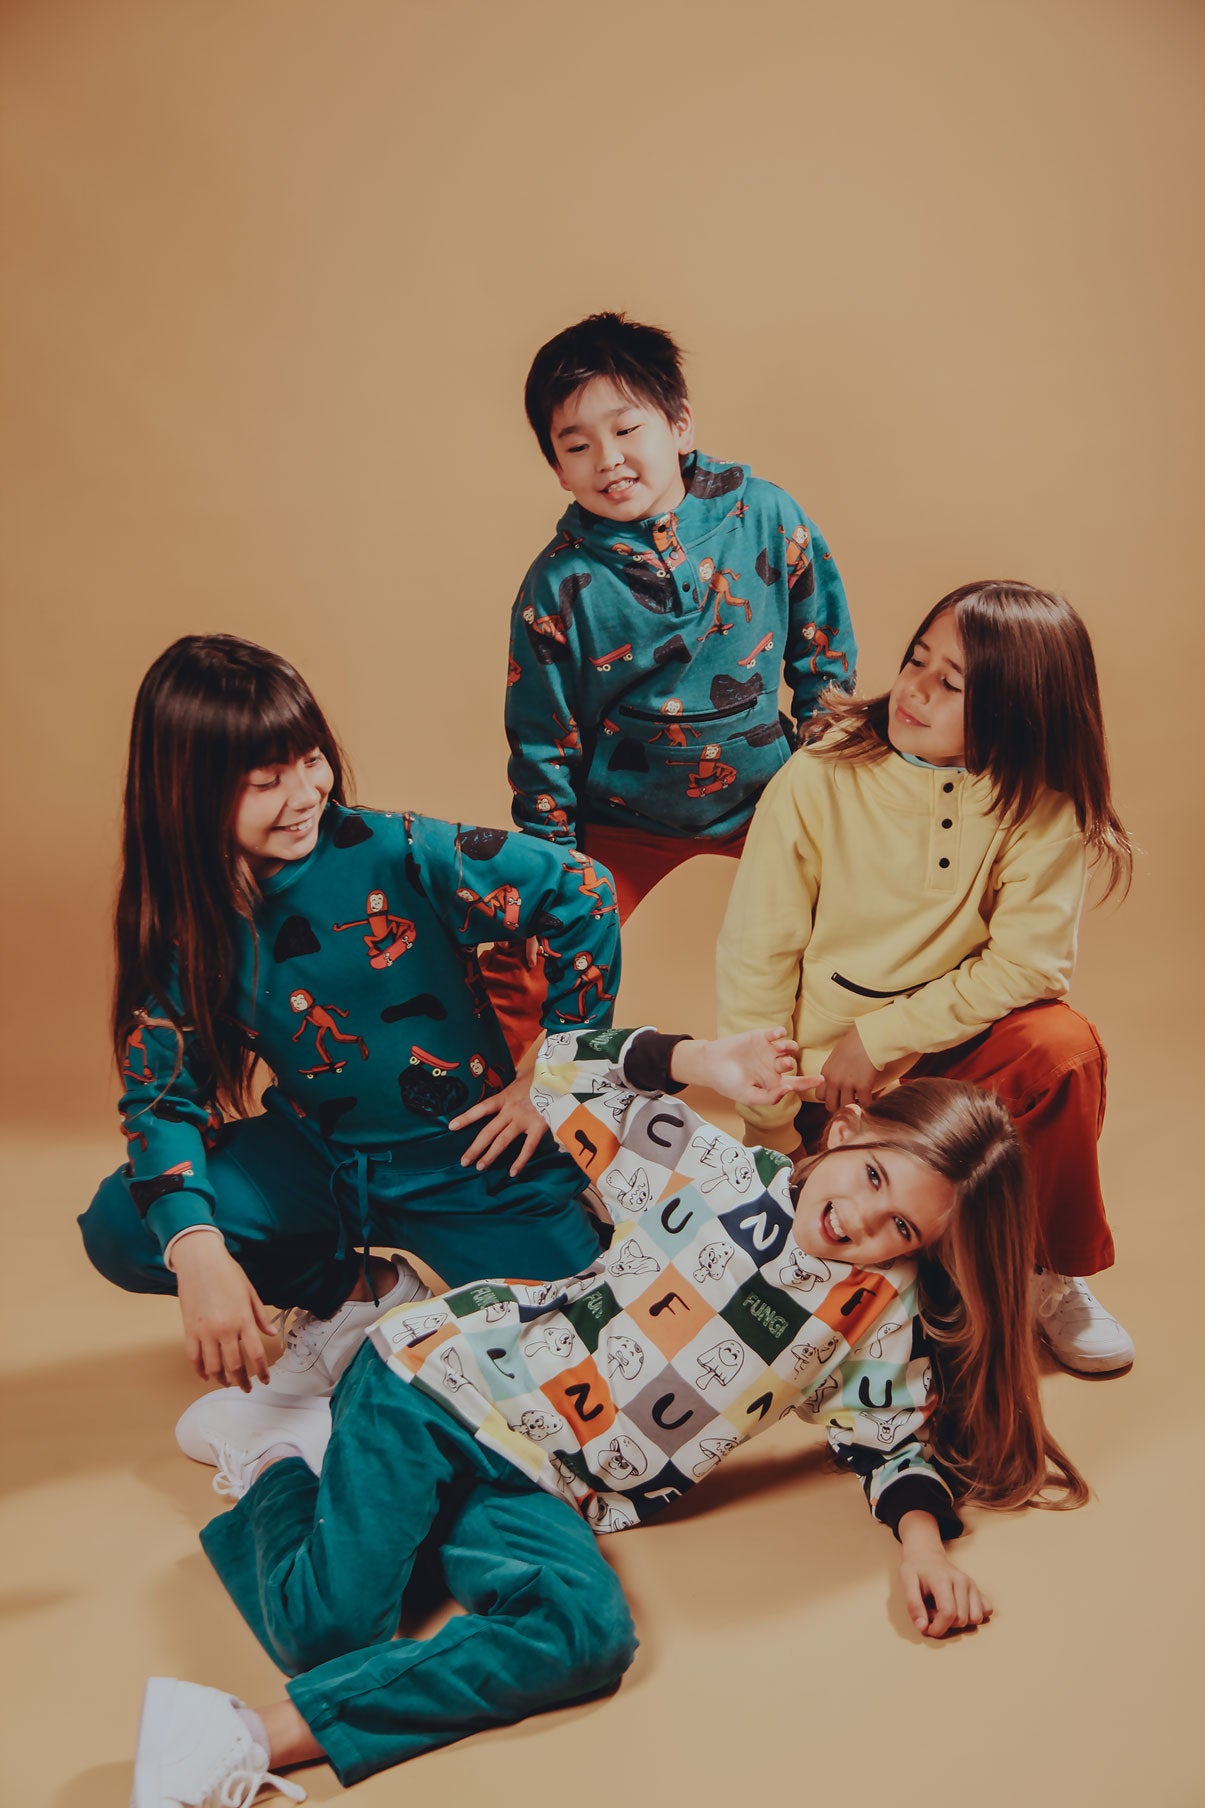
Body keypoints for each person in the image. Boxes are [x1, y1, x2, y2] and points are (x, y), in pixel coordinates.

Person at [130, 1023, 1085, 1804]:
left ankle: (240, 1731)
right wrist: (700, 1062)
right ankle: (274, 1466)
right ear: (847, 1132)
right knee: (329, 1630)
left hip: (549, 1479)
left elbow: (883, 1436)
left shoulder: (874, 1309)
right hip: (441, 1382)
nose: (862, 1225)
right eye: (873, 1180)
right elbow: (563, 1072)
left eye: (902, 1228)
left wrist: (922, 1546)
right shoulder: (715, 1173)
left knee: (588, 1637)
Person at [78, 634, 621, 1450]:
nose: (303, 794)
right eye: (266, 781)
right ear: (185, 793)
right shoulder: (185, 920)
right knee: (126, 1224)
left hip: (472, 1162)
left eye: (309, 761)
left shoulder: (398, 850)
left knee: (593, 1369)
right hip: (321, 1162)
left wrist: (554, 1073)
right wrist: (196, 1253)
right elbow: (161, 1098)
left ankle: (564, 1216)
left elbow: (580, 889)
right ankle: (355, 1293)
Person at [716, 581, 1135, 1374]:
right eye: (915, 660)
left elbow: (1030, 963)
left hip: (947, 1070)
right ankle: (928, 1257)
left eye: (951, 684)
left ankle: (1046, 1270)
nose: (912, 689)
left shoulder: (1039, 805)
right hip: (826, 1092)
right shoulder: (819, 776)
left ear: (1017, 711)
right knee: (847, 1293)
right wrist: (765, 1119)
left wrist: (881, 1038)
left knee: (1061, 1046)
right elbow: (756, 952)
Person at [481, 312, 855, 1059]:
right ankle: (500, 1107)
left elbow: (822, 654)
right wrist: (552, 864)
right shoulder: (557, 587)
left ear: (680, 425)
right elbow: (541, 741)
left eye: (626, 430)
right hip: (622, 819)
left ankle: (836, 1122)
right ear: (557, 469)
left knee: (848, 937)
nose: (607, 460)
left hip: (767, 802)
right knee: (518, 957)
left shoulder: (765, 514)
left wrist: (822, 777)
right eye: (576, 445)